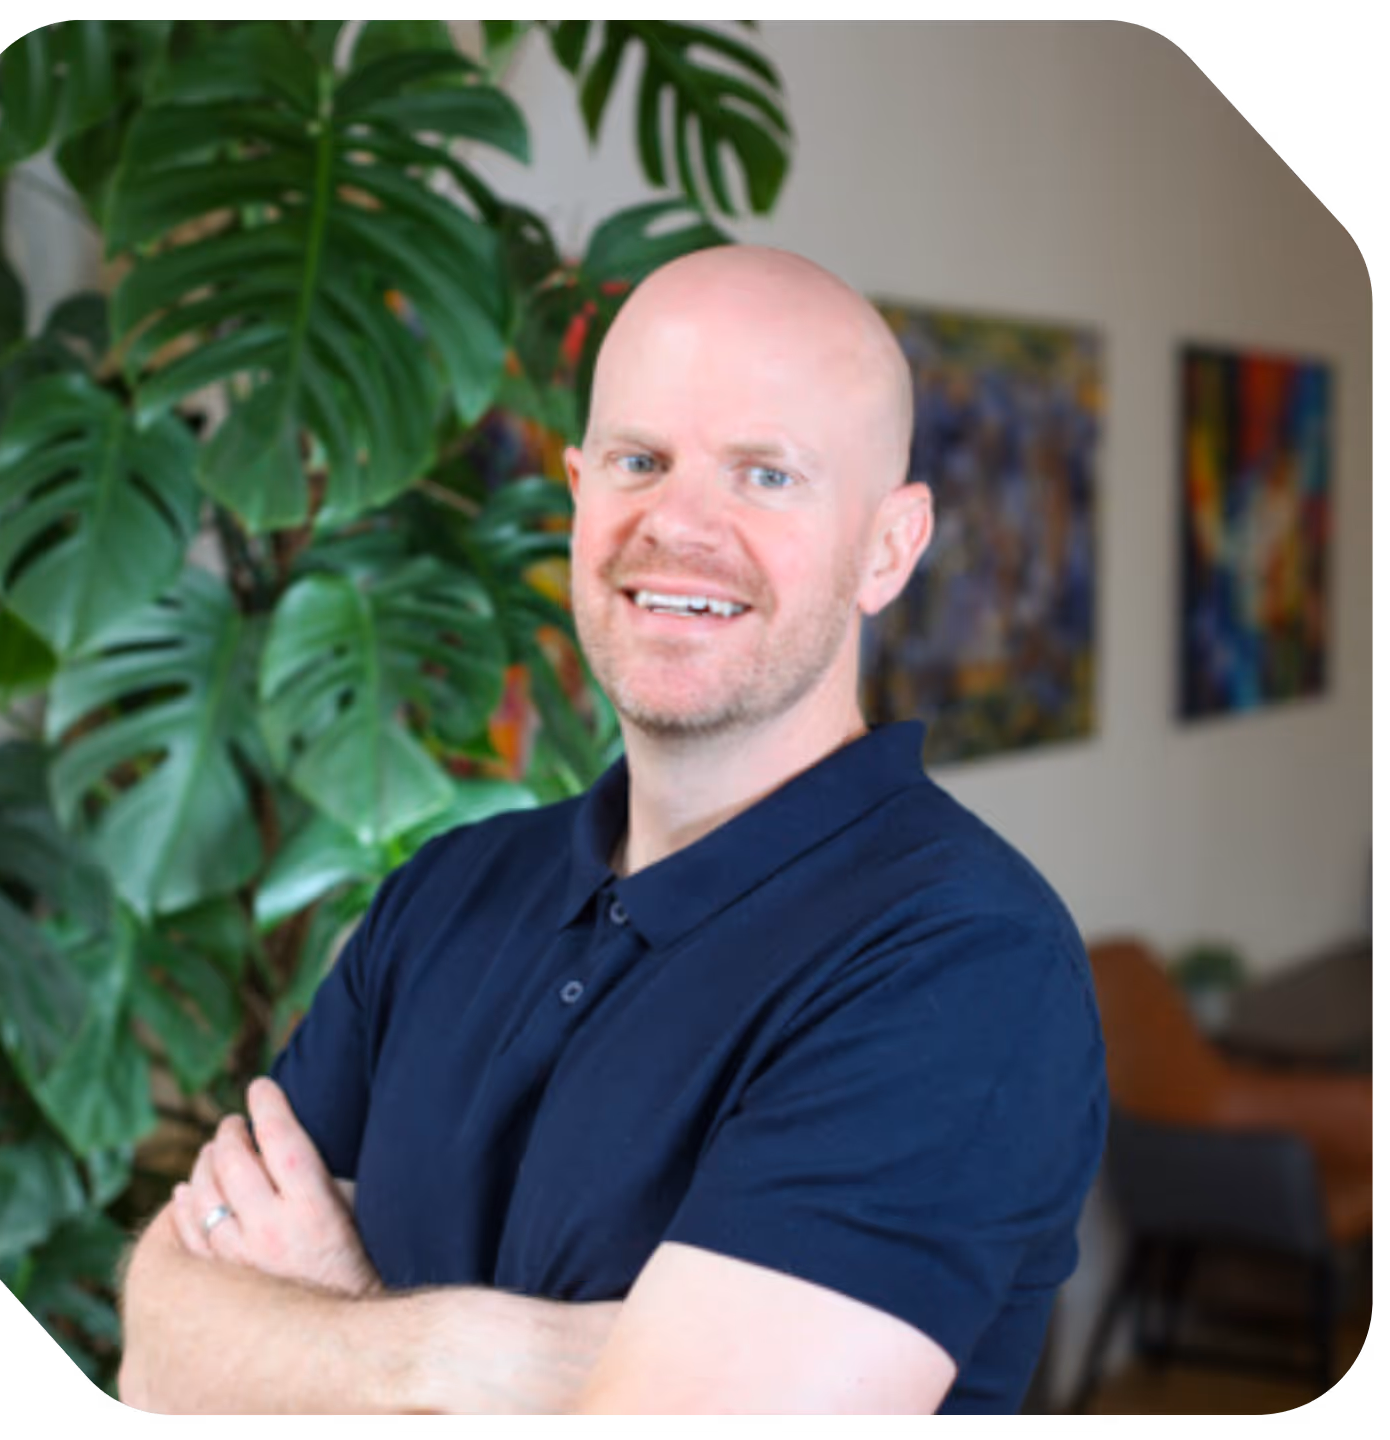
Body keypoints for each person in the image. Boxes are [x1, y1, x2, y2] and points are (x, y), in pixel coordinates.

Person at [117, 245, 1106, 1415]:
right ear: (579, 489)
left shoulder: (963, 961)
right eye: (641, 460)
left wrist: (336, 1310)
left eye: (766, 475)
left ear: (889, 547)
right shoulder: (446, 890)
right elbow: (160, 1348)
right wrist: (461, 1361)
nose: (678, 522)